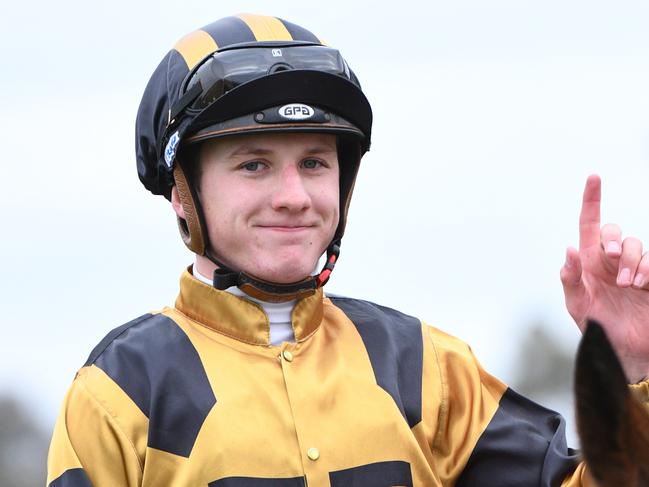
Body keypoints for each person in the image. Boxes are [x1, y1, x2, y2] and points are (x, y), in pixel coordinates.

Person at [46, 13, 649, 487]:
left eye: (313, 163)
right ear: (182, 193)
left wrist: (633, 368)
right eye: (254, 165)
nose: (293, 196)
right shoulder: (119, 390)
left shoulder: (427, 368)